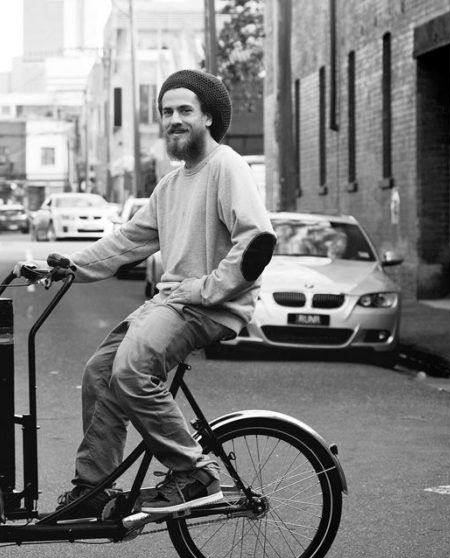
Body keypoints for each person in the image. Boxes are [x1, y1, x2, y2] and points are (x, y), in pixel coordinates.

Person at [43, 69, 277, 519]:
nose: (174, 119)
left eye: (185, 110)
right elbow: (127, 242)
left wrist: (207, 288)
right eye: (167, 112)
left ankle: (195, 473)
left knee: (131, 371)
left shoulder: (226, 165)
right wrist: (67, 267)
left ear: (208, 117)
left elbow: (256, 241)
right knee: (99, 372)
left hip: (208, 305)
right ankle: (94, 487)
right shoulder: (171, 185)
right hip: (173, 302)